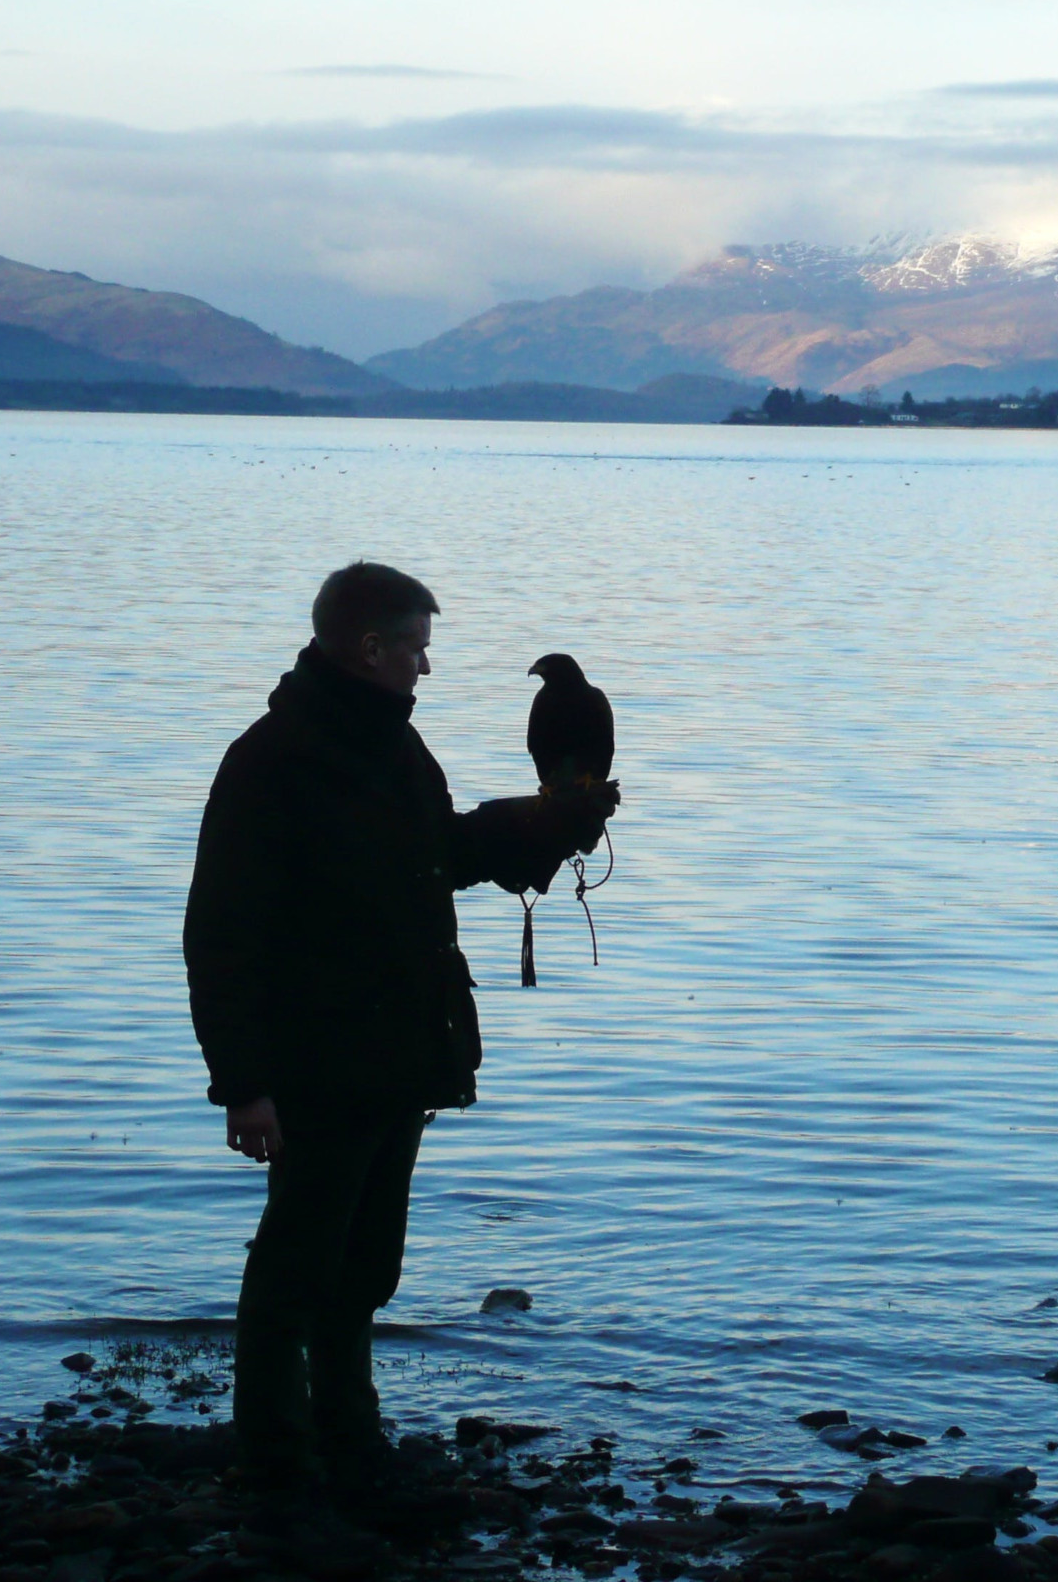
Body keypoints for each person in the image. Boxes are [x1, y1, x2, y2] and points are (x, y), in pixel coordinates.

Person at [182, 562, 615, 1521]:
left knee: (365, 1265)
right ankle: (272, 1461)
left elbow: (443, 857)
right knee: (297, 1263)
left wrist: (547, 823)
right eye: (417, 646)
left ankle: (350, 1437)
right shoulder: (272, 759)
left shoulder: (396, 750)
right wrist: (243, 1086)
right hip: (318, 1065)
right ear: (370, 648)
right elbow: (220, 933)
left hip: (400, 1056)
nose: (428, 665)